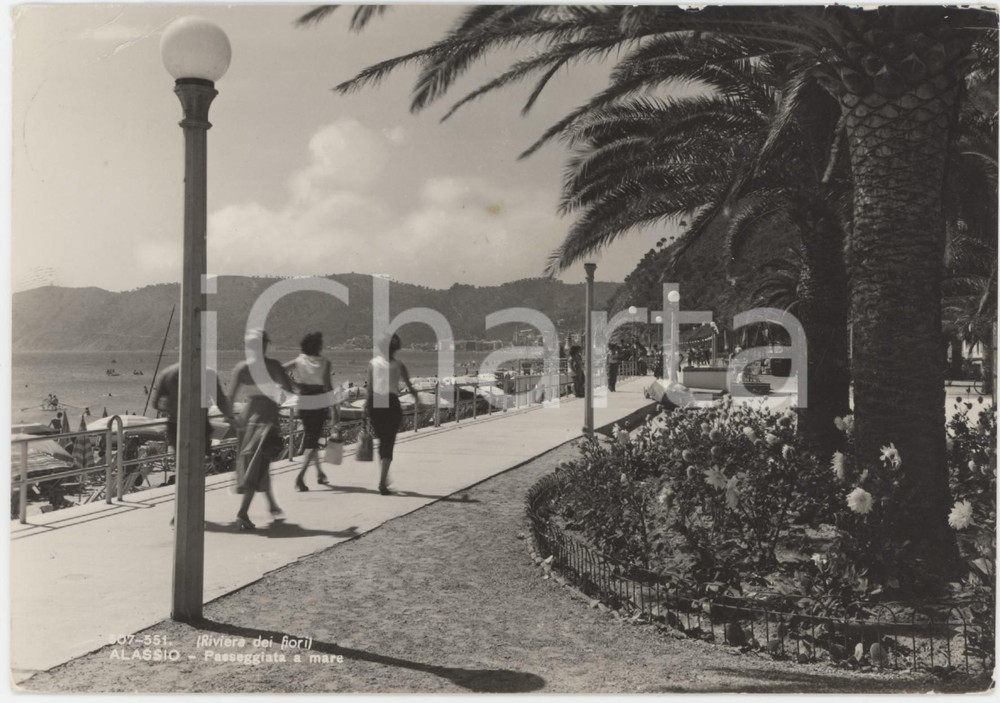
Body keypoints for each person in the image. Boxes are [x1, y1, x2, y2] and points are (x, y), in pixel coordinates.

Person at [150, 361, 234, 527]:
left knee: (182, 470)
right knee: (196, 471)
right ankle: (193, 513)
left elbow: (155, 403)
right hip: (198, 425)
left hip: (175, 425)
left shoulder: (168, 372)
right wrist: (231, 419)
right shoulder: (207, 373)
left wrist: (175, 407)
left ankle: (179, 513)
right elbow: (221, 402)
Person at [230, 329, 295, 530]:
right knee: (257, 466)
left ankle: (272, 506)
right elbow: (290, 389)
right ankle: (242, 513)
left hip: (246, 419)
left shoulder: (241, 368)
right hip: (266, 419)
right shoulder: (273, 366)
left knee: (255, 464)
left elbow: (229, 399)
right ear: (264, 345)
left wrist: (234, 422)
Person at [365, 333, 419, 495]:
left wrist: (366, 408)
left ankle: (384, 477)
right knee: (389, 442)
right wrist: (418, 400)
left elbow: (370, 389)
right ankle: (382, 481)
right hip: (391, 403)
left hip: (376, 403)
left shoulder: (372, 364)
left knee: (382, 441)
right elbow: (410, 387)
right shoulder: (399, 365)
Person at [284, 331, 334, 492]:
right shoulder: (325, 362)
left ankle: (320, 473)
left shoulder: (300, 360)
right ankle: (300, 477)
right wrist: (335, 409)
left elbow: (280, 369)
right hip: (318, 400)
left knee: (311, 436)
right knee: (312, 439)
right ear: (318, 346)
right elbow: (328, 386)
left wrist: (294, 386)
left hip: (303, 399)